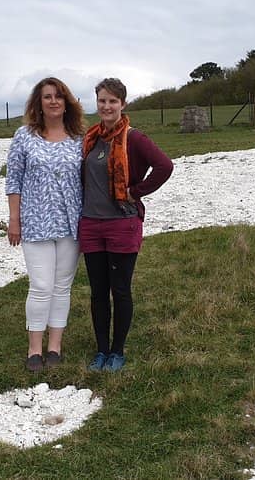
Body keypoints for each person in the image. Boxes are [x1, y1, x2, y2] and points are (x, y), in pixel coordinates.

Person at [80, 78, 173, 372]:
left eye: (113, 101)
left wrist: (136, 191)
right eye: (102, 101)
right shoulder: (91, 138)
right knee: (97, 292)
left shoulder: (133, 138)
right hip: (91, 225)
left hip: (122, 223)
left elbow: (164, 166)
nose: (107, 106)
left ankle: (117, 351)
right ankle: (101, 350)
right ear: (97, 103)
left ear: (123, 104)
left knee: (119, 290)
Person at [5, 77, 85, 372]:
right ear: (38, 103)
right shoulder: (24, 136)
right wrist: (15, 220)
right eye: (47, 97)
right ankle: (34, 349)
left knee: (62, 287)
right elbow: (13, 180)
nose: (53, 101)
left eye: (59, 96)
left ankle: (55, 346)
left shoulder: (79, 138)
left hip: (70, 224)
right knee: (40, 286)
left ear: (67, 103)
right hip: (35, 224)